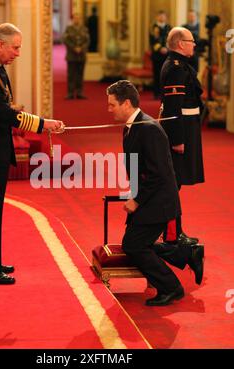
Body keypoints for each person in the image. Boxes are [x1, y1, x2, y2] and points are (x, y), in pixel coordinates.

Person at [0, 23, 64, 285]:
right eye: (16, 47)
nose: (18, 53)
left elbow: (4, 109)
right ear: (0, 45)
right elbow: (3, 113)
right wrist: (43, 124)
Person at [107, 80, 204, 306]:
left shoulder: (149, 129)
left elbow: (159, 174)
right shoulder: (131, 127)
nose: (109, 109)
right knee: (139, 243)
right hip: (149, 198)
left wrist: (136, 201)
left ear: (127, 103)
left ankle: (172, 287)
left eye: (112, 105)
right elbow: (138, 169)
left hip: (159, 201)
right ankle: (186, 254)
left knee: (134, 245)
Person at [160, 27, 205, 246]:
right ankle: (172, 234)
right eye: (191, 41)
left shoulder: (180, 65)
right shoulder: (176, 68)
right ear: (180, 43)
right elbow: (172, 108)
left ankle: (174, 232)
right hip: (182, 130)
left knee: (175, 183)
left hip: (188, 127)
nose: (194, 44)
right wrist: (177, 139)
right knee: (173, 184)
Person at [62, 13, 90, 99]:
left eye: (78, 18)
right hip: (71, 56)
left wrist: (81, 48)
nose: (77, 19)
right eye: (75, 18)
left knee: (80, 75)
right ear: (73, 19)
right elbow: (65, 40)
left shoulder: (84, 29)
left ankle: (79, 92)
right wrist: (74, 48)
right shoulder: (69, 29)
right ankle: (70, 93)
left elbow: (87, 41)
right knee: (71, 75)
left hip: (81, 56)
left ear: (80, 19)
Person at [149, 10, 171, 99]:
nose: (162, 17)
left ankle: (165, 93)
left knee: (166, 75)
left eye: (163, 16)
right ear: (157, 17)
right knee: (157, 74)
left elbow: (171, 39)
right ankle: (156, 93)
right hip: (157, 55)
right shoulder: (153, 28)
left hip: (167, 55)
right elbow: (152, 41)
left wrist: (167, 48)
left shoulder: (169, 27)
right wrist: (160, 48)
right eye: (160, 16)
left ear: (166, 17)